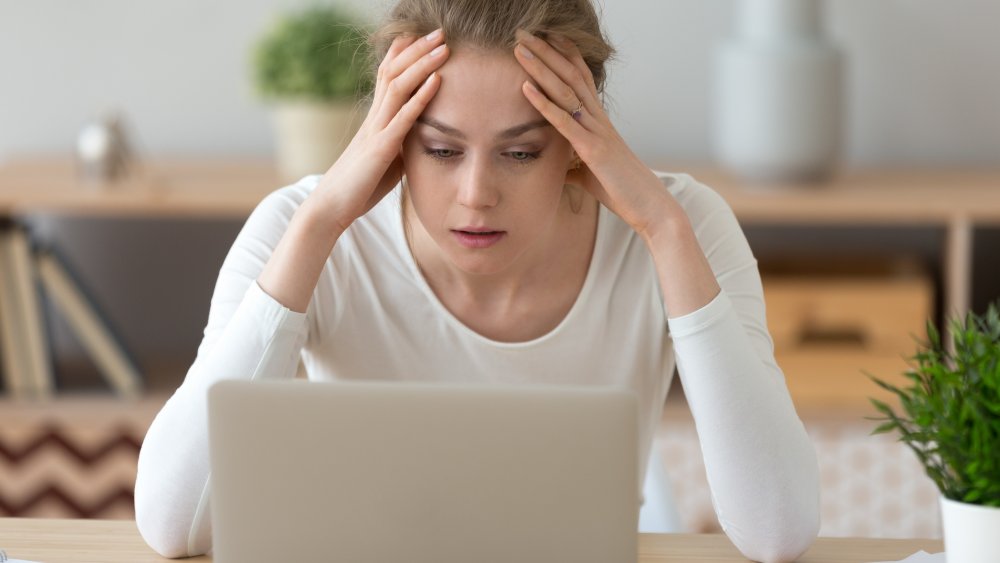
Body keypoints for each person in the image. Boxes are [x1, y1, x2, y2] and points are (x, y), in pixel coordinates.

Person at [135, 0, 820, 560]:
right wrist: (319, 223)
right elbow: (172, 523)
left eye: (521, 151)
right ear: (392, 134)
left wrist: (667, 233)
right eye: (439, 148)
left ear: (583, 138)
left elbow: (778, 529)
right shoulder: (302, 227)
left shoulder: (678, 224)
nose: (475, 194)